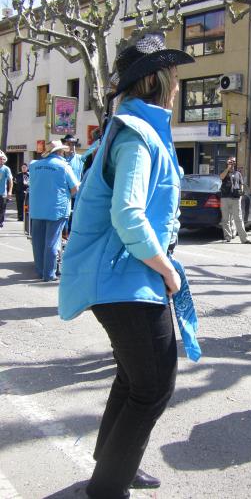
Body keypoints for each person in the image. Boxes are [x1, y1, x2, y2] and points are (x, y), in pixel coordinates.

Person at [59, 33, 197, 499]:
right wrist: (168, 269)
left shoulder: (135, 127)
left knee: (134, 379)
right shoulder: (137, 134)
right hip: (126, 280)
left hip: (125, 277)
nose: (178, 85)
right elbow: (129, 213)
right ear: (159, 81)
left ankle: (116, 461)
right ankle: (108, 486)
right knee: (153, 387)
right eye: (174, 76)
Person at [29, 140, 79, 281]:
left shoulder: (34, 165)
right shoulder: (63, 166)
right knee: (52, 242)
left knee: (38, 242)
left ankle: (39, 270)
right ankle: (49, 274)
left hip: (37, 208)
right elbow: (75, 188)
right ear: (59, 152)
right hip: (56, 209)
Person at [219, 157, 251, 244]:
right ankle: (227, 237)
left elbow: (241, 184)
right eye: (230, 161)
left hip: (236, 199)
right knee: (225, 219)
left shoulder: (238, 173)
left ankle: (244, 239)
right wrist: (228, 168)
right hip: (225, 198)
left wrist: (240, 194)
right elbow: (221, 177)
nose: (232, 163)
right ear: (227, 162)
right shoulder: (224, 172)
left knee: (239, 219)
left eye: (234, 161)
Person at [0, 150, 13, 228]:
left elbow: (10, 180)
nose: (1, 160)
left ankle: (0, 221)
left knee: (2, 209)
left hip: (3, 193)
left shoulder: (6, 169)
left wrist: (10, 191)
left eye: (2, 159)